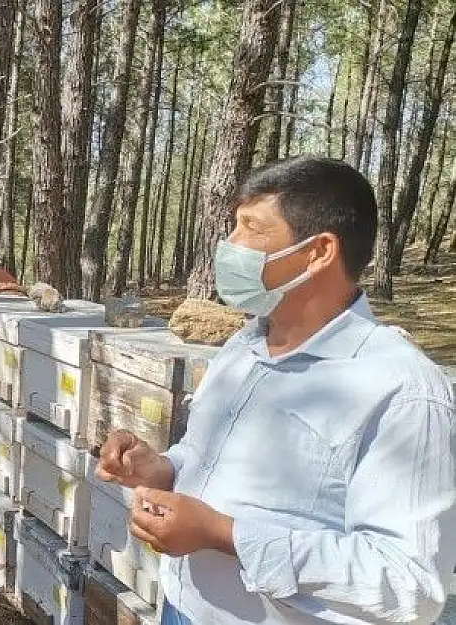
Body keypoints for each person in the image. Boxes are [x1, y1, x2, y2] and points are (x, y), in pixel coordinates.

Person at [96, 156, 456, 624]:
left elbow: (411, 585)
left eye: (250, 228)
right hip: (182, 609)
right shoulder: (244, 345)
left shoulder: (402, 389)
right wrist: (159, 469)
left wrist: (225, 535)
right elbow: (206, 459)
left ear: (319, 251)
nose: (230, 246)